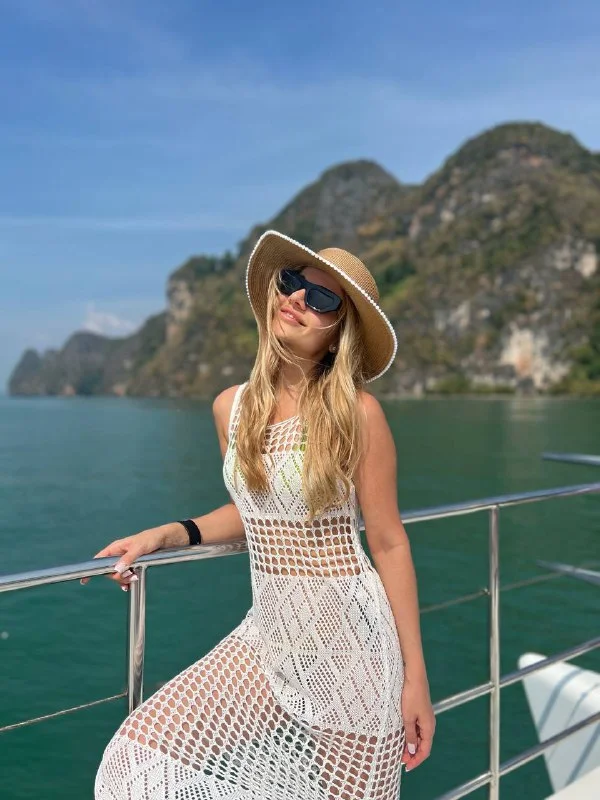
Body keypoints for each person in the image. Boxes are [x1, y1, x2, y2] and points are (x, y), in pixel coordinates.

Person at [88, 230, 435, 799]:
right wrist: (167, 534)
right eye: (292, 282)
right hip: (268, 639)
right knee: (134, 761)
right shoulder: (232, 407)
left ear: (338, 332)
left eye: (321, 298)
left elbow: (390, 543)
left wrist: (415, 679)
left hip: (351, 648)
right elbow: (253, 513)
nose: (297, 298)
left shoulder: (359, 414)